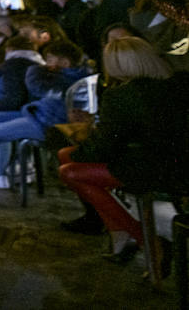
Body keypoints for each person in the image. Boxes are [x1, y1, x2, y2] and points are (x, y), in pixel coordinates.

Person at [58, 37, 189, 259]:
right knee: (67, 156)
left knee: (70, 171)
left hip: (159, 169)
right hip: (175, 160)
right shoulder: (179, 83)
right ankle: (121, 234)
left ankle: (146, 241)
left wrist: (81, 146)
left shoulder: (122, 95)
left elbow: (104, 147)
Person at [0, 39, 91, 204]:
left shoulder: (66, 80)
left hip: (46, 122)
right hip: (38, 114)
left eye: (50, 59)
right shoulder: (74, 75)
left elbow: (35, 86)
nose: (47, 63)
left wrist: (36, 69)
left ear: (65, 62)